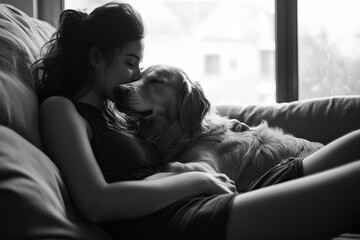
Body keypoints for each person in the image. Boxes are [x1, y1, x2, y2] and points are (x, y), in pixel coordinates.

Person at [33, 2, 360, 240]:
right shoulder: (61, 109)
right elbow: (97, 203)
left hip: (213, 197)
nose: (134, 77)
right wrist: (198, 178)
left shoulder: (119, 112)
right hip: (181, 219)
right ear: (95, 57)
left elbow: (186, 130)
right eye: (130, 63)